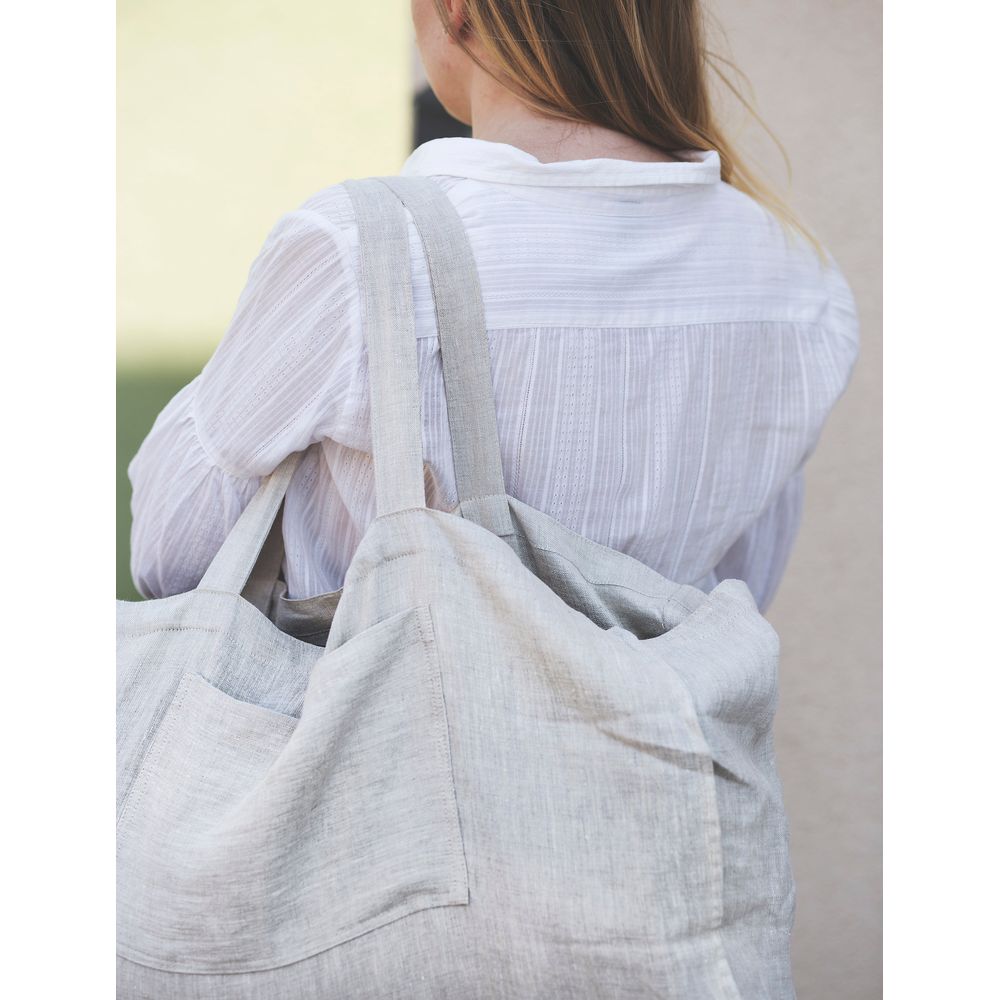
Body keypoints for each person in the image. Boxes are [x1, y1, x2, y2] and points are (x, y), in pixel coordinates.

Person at [127, 0, 859, 616]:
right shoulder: (798, 280)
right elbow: (736, 596)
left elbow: (172, 551)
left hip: (382, 773)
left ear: (459, 9)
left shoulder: (362, 250)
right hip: (649, 776)